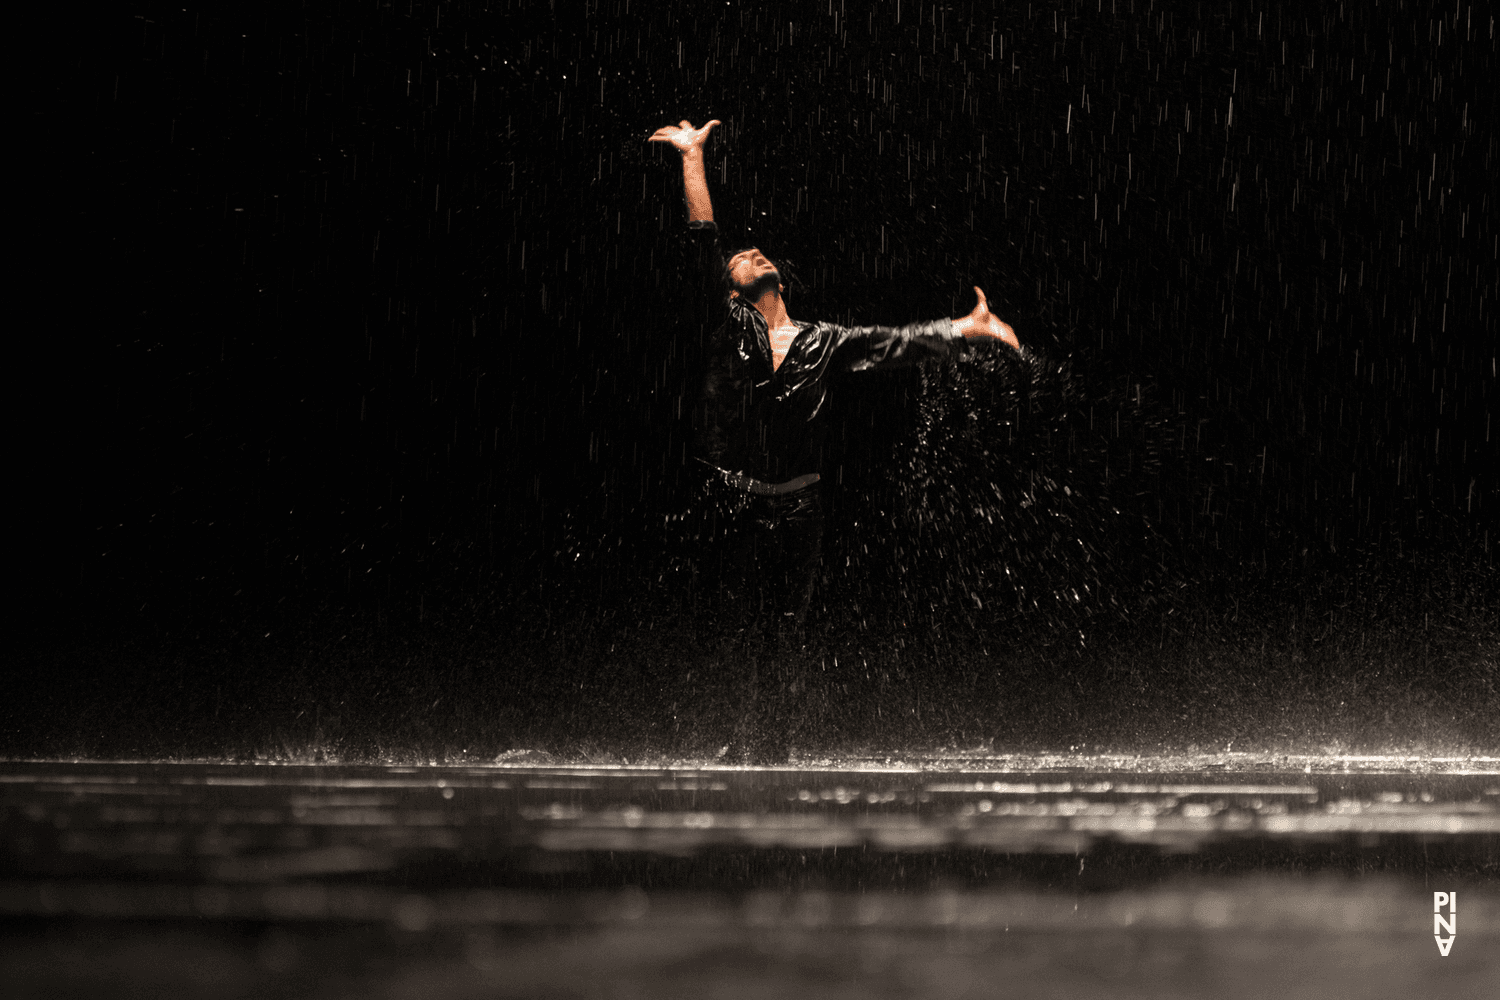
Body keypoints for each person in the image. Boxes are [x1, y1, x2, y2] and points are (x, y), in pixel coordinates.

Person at [649, 119, 1025, 763]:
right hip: (734, 505)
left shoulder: (824, 341)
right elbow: (702, 238)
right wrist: (692, 158)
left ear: (781, 281)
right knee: (733, 625)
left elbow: (893, 344)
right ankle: (720, 741)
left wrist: (967, 326)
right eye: (742, 259)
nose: (753, 255)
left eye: (760, 255)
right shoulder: (727, 323)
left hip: (800, 509)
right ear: (731, 286)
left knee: (784, 633)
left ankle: (770, 751)